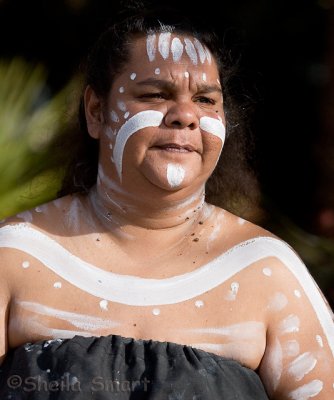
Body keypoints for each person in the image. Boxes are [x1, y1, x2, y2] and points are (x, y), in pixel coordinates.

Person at [0, 4, 334, 399]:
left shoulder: (267, 271)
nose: (185, 116)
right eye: (156, 94)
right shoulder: (20, 254)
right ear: (96, 112)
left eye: (207, 100)